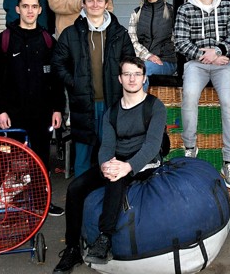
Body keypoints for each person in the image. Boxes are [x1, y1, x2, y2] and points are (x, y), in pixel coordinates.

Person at [52, 57, 166, 272]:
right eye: (127, 74)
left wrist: (127, 167)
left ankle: (105, 238)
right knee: (75, 188)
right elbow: (106, 146)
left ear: (144, 79)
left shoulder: (155, 106)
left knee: (117, 178)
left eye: (137, 74)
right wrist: (105, 164)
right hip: (118, 158)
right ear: (120, 79)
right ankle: (72, 249)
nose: (132, 79)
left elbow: (152, 146)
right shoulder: (112, 112)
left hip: (145, 160)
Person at [0, 0, 65, 216]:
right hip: (12, 113)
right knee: (5, 155)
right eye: (25, 6)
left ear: (40, 10)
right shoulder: (4, 40)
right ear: (18, 9)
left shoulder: (48, 41)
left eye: (34, 6)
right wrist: (0, 110)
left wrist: (58, 109)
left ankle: (42, 202)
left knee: (41, 158)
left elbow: (56, 79)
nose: (30, 11)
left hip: (41, 113)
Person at [51, 0, 134, 178]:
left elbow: (130, 63)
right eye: (90, 0)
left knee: (111, 153)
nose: (95, 4)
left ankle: (109, 191)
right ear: (83, 4)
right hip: (83, 103)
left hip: (112, 102)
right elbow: (57, 64)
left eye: (99, 0)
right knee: (83, 156)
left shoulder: (119, 33)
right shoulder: (70, 33)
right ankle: (83, 193)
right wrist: (74, 82)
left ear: (107, 4)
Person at [173, 0, 230, 189]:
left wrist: (218, 51)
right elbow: (180, 41)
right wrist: (207, 56)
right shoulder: (185, 9)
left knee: (229, 103)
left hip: (223, 63)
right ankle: (190, 147)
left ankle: (229, 161)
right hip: (197, 62)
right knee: (190, 96)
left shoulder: (227, 7)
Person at [127, 0, 177, 89]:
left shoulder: (171, 11)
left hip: (166, 61)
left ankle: (138, 101)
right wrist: (148, 56)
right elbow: (132, 40)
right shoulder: (136, 13)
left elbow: (178, 40)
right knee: (129, 70)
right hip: (143, 60)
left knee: (144, 69)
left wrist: (163, 53)